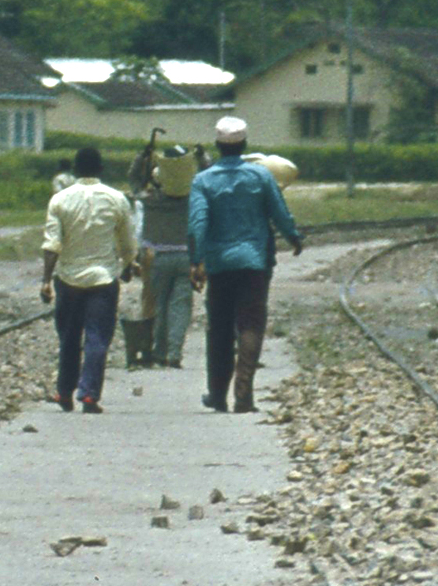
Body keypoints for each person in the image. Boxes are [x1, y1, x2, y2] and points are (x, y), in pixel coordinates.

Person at [188, 116, 301, 414]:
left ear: (217, 145)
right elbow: (279, 212)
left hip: (219, 265)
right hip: (254, 262)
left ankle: (217, 394)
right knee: (251, 323)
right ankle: (243, 394)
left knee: (219, 328)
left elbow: (198, 223)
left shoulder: (203, 180)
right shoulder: (261, 176)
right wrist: (293, 237)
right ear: (245, 145)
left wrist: (196, 260)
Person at [39, 145, 136, 414]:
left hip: (68, 279)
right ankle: (89, 394)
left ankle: (64, 391)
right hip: (102, 280)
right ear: (101, 169)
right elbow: (127, 242)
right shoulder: (117, 199)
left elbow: (52, 244)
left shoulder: (59, 200)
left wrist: (46, 280)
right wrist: (128, 264)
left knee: (68, 337)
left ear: (75, 169)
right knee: (97, 338)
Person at [136, 157, 193, 369]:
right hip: (185, 256)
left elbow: (135, 182)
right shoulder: (191, 198)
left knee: (159, 305)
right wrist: (202, 160)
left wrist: (142, 158)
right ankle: (175, 352)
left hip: (158, 257)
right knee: (180, 306)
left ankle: (159, 351)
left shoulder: (150, 200)